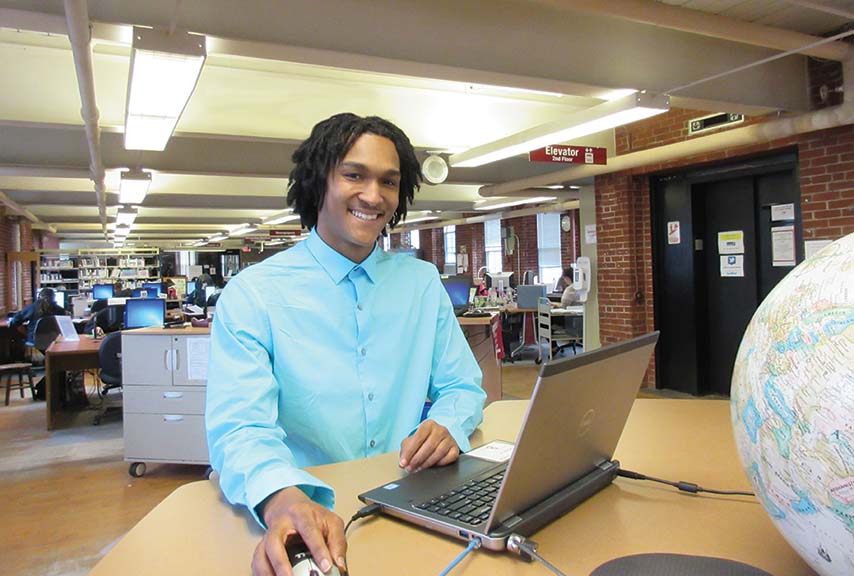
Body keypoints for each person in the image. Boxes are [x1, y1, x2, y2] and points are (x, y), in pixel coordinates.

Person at [206, 113, 486, 576]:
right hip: (306, 508)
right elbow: (239, 429)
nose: (373, 196)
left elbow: (463, 386)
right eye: (354, 175)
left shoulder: (420, 283)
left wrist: (448, 423)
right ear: (319, 182)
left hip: (407, 503)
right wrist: (282, 498)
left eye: (389, 182)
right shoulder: (255, 293)